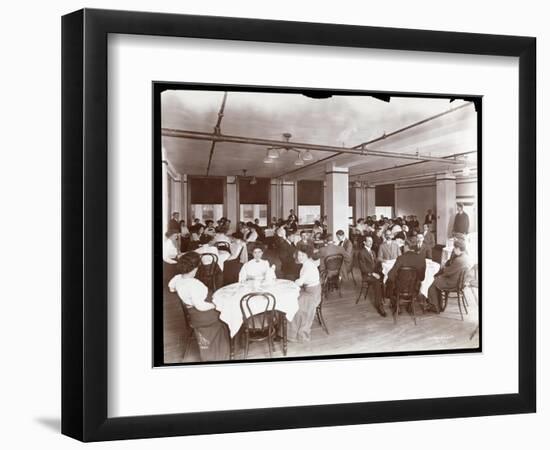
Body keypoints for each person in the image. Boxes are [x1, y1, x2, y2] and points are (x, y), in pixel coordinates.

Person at [168, 252, 230, 361]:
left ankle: (207, 350)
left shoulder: (177, 278)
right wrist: (214, 305)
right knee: (226, 315)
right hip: (203, 316)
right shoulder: (194, 284)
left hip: (193, 315)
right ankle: (219, 355)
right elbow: (200, 306)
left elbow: (171, 288)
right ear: (195, 268)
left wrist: (184, 296)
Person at [287, 248, 322, 343]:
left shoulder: (308, 266)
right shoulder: (308, 263)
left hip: (312, 294)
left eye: (303, 255)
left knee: (294, 306)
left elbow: (300, 282)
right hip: (309, 290)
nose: (300, 257)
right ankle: (289, 332)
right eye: (299, 255)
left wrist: (293, 283)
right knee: (292, 301)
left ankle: (293, 335)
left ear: (308, 255)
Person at [427, 238, 471, 312]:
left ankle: (435, 307)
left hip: (453, 282)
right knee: (437, 280)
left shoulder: (459, 260)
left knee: (433, 284)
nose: (453, 250)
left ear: (458, 248)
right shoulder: (465, 257)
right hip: (459, 281)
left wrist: (443, 268)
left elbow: (448, 272)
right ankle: (438, 305)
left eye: (455, 248)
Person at [386, 237, 426, 306]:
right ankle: (410, 305)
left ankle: (395, 304)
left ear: (407, 246)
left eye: (404, 245)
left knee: (389, 281)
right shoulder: (421, 259)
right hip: (414, 290)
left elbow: (390, 275)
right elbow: (422, 278)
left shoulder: (401, 258)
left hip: (399, 289)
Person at [357, 236, 385, 316]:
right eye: (369, 241)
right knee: (376, 281)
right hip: (367, 275)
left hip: (374, 272)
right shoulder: (361, 253)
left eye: (371, 241)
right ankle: (379, 305)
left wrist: (382, 264)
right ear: (364, 242)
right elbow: (363, 268)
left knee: (388, 276)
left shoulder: (373, 252)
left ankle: (385, 297)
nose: (371, 243)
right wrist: (373, 274)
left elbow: (375, 263)